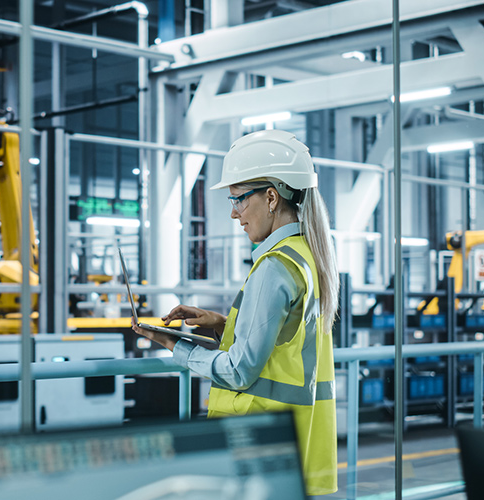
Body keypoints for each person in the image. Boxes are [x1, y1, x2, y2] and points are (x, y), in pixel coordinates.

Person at [132, 130, 338, 496]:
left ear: (271, 197)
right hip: (296, 437)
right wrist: (221, 325)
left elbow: (240, 371)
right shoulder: (306, 255)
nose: (233, 212)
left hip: (257, 441)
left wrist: (172, 344)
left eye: (239, 199)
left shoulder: (274, 267)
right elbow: (283, 341)